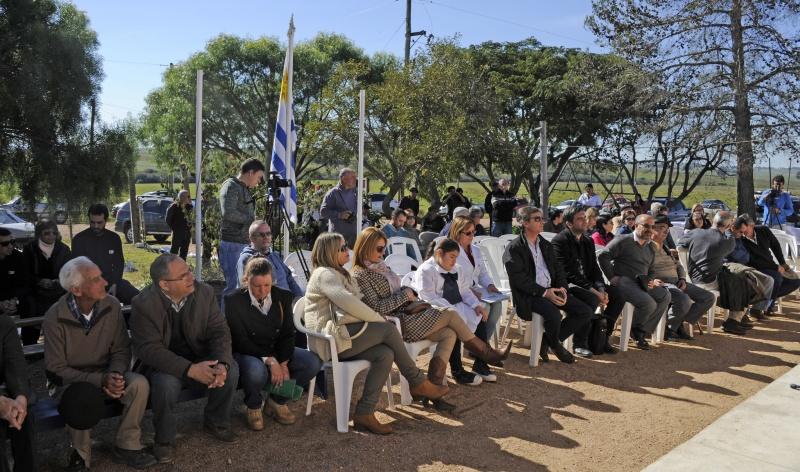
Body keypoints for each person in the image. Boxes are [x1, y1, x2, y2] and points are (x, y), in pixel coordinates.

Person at [303, 233, 448, 435]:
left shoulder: (338, 273)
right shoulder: (324, 274)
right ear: (330, 252)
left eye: (346, 246)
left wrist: (376, 318)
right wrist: (378, 319)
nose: (347, 251)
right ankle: (417, 381)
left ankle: (364, 414)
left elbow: (354, 305)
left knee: (385, 354)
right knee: (388, 329)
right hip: (329, 343)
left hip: (343, 336)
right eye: (342, 248)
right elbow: (349, 302)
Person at [353, 229, 509, 409]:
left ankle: (433, 391)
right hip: (395, 323)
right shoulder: (360, 275)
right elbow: (377, 308)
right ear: (365, 247)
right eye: (379, 249)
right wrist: (405, 295)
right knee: (450, 313)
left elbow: (463, 290)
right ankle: (485, 352)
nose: (382, 254)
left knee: (450, 333)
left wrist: (406, 294)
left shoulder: (381, 266)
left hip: (408, 314)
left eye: (384, 249)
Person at [44, 257, 156, 470]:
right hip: (71, 381)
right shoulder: (54, 317)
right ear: (77, 290)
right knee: (80, 397)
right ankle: (80, 455)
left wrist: (115, 375)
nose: (105, 282)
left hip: (106, 372)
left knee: (139, 384)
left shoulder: (112, 305)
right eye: (96, 279)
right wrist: (100, 380)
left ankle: (127, 444)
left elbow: (122, 348)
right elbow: (56, 370)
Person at [130, 254, 239, 463]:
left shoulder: (204, 292)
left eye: (189, 270)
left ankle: (216, 421)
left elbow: (219, 331)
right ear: (164, 284)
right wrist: (190, 369)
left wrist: (222, 362)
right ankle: (164, 440)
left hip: (198, 355)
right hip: (163, 364)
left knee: (231, 369)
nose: (191, 277)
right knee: (166, 384)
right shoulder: (143, 304)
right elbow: (149, 350)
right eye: (183, 275)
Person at [225, 258, 322, 431]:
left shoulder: (282, 296)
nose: (262, 291)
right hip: (248, 352)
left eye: (267, 285)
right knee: (256, 371)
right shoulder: (233, 301)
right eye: (256, 286)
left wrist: (283, 361)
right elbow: (240, 341)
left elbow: (287, 333)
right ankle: (253, 406)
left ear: (273, 282)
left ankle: (277, 401)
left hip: (276, 350)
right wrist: (271, 360)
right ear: (246, 280)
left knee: (312, 362)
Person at [503, 206, 595, 363]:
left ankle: (546, 341)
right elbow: (520, 280)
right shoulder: (514, 248)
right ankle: (556, 346)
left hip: (552, 290)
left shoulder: (545, 244)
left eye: (542, 218)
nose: (541, 222)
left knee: (584, 311)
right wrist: (545, 293)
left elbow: (558, 270)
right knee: (554, 314)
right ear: (525, 223)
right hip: (530, 295)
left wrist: (562, 289)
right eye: (537, 219)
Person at [552, 206, 624, 356]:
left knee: (618, 295)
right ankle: (580, 343)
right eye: (579, 218)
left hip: (588, 284)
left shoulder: (587, 241)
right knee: (590, 299)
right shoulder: (560, 241)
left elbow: (594, 269)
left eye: (585, 217)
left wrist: (601, 288)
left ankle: (602, 337)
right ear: (569, 223)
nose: (585, 221)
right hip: (567, 285)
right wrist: (594, 291)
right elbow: (567, 274)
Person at [446, 217, 508, 381]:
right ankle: (482, 357)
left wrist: (490, 286)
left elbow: (483, 274)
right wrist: (472, 293)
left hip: (476, 290)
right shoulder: (452, 251)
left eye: (474, 232)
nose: (472, 236)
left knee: (497, 306)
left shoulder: (476, 250)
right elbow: (452, 281)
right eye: (468, 233)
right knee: (484, 310)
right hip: (460, 292)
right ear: (457, 233)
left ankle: (479, 350)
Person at [598, 214, 672, 349]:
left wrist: (651, 280)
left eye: (652, 227)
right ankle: (637, 331)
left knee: (665, 296)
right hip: (624, 281)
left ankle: (640, 330)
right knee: (648, 303)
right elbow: (603, 256)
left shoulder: (650, 247)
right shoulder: (623, 240)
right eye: (646, 226)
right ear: (636, 225)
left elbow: (652, 269)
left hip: (642, 282)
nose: (650, 229)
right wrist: (611, 277)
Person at [677, 212, 753, 335]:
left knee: (732, 279)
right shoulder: (726, 241)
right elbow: (730, 242)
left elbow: (680, 244)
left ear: (713, 221)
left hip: (691, 277)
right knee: (740, 281)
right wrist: (729, 231)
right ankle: (734, 319)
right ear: (729, 225)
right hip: (708, 281)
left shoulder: (696, 232)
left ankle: (737, 317)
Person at [649, 216, 716, 340]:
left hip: (677, 282)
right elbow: (642, 269)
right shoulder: (647, 248)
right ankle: (669, 328)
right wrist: (652, 280)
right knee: (683, 299)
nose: (666, 232)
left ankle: (677, 324)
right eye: (662, 229)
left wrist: (682, 279)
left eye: (667, 229)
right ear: (652, 230)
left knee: (708, 297)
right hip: (662, 283)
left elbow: (679, 266)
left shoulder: (666, 248)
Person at [72, 204, 139, 304]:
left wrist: (114, 284)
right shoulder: (79, 240)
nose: (95, 226)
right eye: (92, 222)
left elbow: (118, 264)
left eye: (99, 223)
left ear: (106, 221)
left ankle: (127, 318)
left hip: (111, 282)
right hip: (87, 285)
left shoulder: (114, 238)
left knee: (138, 299)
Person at [734, 214, 800, 316]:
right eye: (741, 231)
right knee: (776, 278)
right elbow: (752, 260)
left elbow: (775, 245)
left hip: (770, 265)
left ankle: (764, 301)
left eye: (745, 230)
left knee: (795, 282)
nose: (743, 233)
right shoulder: (741, 239)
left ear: (752, 226)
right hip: (754, 268)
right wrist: (776, 267)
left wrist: (782, 263)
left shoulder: (763, 230)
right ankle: (764, 307)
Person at [218, 158, 265, 297]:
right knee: (233, 288)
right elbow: (228, 213)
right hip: (232, 244)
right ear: (250, 173)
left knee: (242, 287)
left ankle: (238, 318)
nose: (258, 182)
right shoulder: (231, 186)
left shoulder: (243, 188)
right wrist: (251, 220)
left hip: (242, 243)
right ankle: (225, 318)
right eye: (258, 177)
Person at [21, 220, 69, 345]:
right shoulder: (29, 249)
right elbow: (25, 273)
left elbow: (69, 271)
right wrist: (39, 281)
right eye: (47, 233)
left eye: (54, 233)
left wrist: (59, 281)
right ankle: (30, 346)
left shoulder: (64, 249)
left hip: (58, 289)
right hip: (35, 290)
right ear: (39, 235)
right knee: (29, 305)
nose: (51, 236)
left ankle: (62, 344)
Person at [235, 220, 303, 298]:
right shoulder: (246, 259)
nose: (266, 237)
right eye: (261, 234)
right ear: (251, 238)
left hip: (287, 304)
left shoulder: (274, 256)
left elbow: (289, 279)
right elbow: (245, 291)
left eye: (268, 234)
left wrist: (299, 298)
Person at [0, 313, 33, 472]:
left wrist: (20, 397)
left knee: (24, 413)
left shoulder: (4, 323)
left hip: (4, 392)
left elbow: (15, 363)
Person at [320, 168, 359, 248]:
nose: (355, 179)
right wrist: (340, 215)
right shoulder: (333, 193)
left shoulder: (355, 192)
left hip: (354, 235)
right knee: (337, 259)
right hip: (338, 237)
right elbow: (323, 211)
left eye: (355, 177)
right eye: (352, 177)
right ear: (343, 178)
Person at [165, 189, 192, 260]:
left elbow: (192, 219)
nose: (189, 198)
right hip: (177, 233)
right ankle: (172, 267)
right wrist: (174, 228)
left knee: (184, 253)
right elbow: (168, 219)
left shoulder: (189, 207)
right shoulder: (173, 207)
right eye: (188, 196)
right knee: (174, 252)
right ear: (182, 197)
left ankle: (182, 268)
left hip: (187, 233)